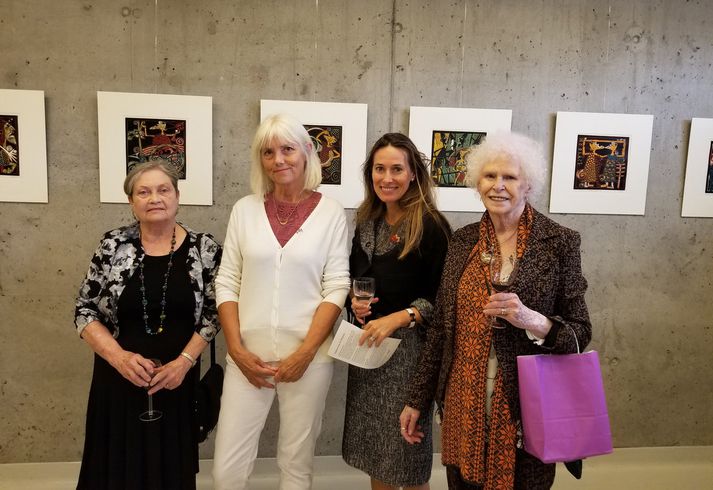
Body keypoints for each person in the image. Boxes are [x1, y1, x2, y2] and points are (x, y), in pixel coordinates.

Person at [401, 131, 592, 490]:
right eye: (490, 176)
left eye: (510, 177)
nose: (498, 185)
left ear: (528, 185)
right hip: (462, 402)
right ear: (477, 182)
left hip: (526, 406)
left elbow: (579, 331)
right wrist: (417, 400)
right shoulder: (463, 241)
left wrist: (531, 320)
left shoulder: (559, 242)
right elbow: (441, 329)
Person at [212, 114, 350, 490]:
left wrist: (306, 353)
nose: (278, 160)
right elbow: (227, 282)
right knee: (227, 469)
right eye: (268, 152)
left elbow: (337, 286)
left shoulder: (331, 213)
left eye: (287, 149)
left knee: (295, 464)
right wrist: (236, 349)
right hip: (248, 359)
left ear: (307, 152)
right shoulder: (244, 210)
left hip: (308, 359)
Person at [74, 160, 222, 490]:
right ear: (131, 202)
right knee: (114, 470)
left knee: (170, 471)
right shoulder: (112, 245)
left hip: (176, 380)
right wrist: (119, 358)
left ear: (177, 196)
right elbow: (85, 311)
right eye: (143, 192)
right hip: (117, 380)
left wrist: (184, 363)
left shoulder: (205, 249)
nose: (154, 198)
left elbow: (214, 314)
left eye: (162, 189)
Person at [342, 133, 452, 490]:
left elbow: (446, 301)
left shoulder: (431, 226)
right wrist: (354, 303)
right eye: (379, 169)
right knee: (378, 454)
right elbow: (352, 281)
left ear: (413, 174)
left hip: (411, 358)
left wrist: (402, 315)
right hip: (370, 352)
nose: (386, 177)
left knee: (407, 457)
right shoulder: (366, 223)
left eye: (396, 169)